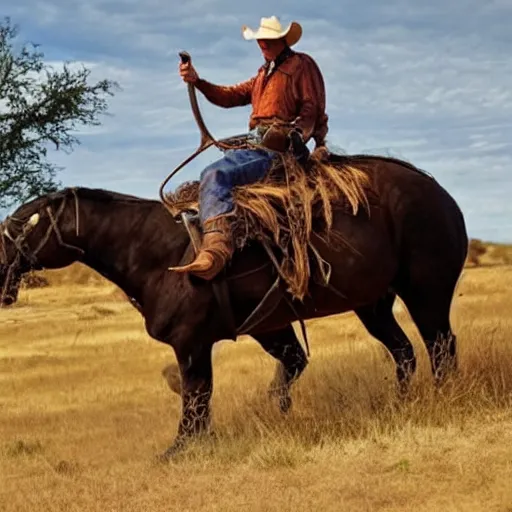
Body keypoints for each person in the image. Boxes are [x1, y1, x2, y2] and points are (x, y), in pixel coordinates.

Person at [170, 15, 329, 280]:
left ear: (282, 40)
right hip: (256, 145)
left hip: (278, 151)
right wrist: (197, 81)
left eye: (267, 39)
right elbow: (229, 96)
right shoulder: (261, 75)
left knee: (215, 175)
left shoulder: (301, 64)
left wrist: (296, 134)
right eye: (259, 40)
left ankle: (217, 249)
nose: (262, 44)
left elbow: (312, 107)